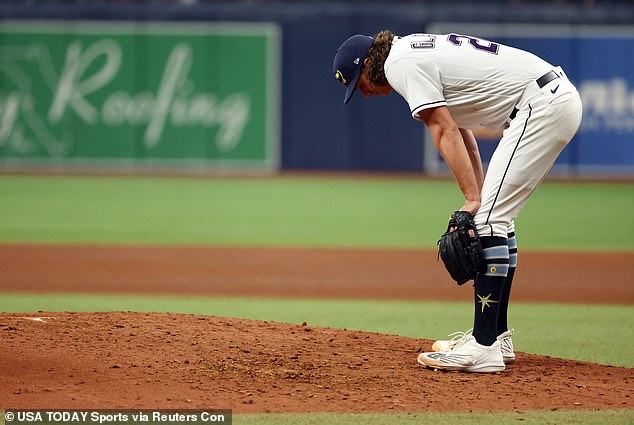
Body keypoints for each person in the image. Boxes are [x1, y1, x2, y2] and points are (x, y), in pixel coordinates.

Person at [332, 31, 582, 373]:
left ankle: (483, 347)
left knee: (489, 222)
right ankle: (496, 336)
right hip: (549, 99)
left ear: (369, 64)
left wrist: (472, 199)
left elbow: (442, 130)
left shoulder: (399, 63)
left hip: (540, 105)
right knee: (495, 219)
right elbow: (463, 135)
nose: (363, 92)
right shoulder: (410, 53)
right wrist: (477, 198)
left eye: (358, 83)